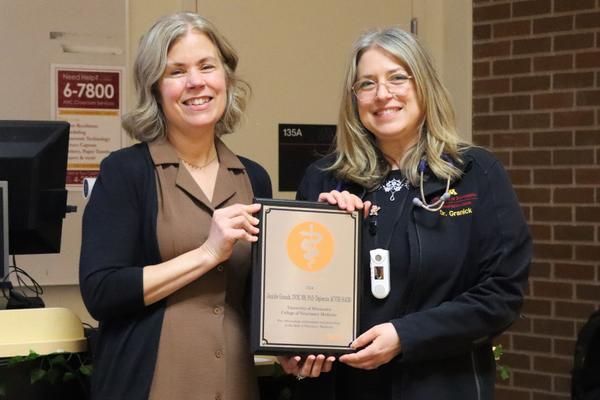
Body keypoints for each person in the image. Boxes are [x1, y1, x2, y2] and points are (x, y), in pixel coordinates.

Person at [279, 28, 531, 400]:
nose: (383, 95)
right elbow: (295, 293)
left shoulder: (476, 173)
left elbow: (502, 293)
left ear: (424, 86)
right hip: (343, 388)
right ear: (354, 99)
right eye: (367, 84)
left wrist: (405, 335)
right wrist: (293, 346)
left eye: (398, 77)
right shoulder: (324, 180)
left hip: (441, 386)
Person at [79, 12, 271, 400]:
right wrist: (207, 253)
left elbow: (264, 299)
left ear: (226, 78)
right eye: (176, 72)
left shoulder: (253, 178)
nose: (196, 82)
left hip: (234, 385)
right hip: (149, 385)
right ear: (155, 87)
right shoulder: (126, 172)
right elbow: (101, 291)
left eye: (206, 66)